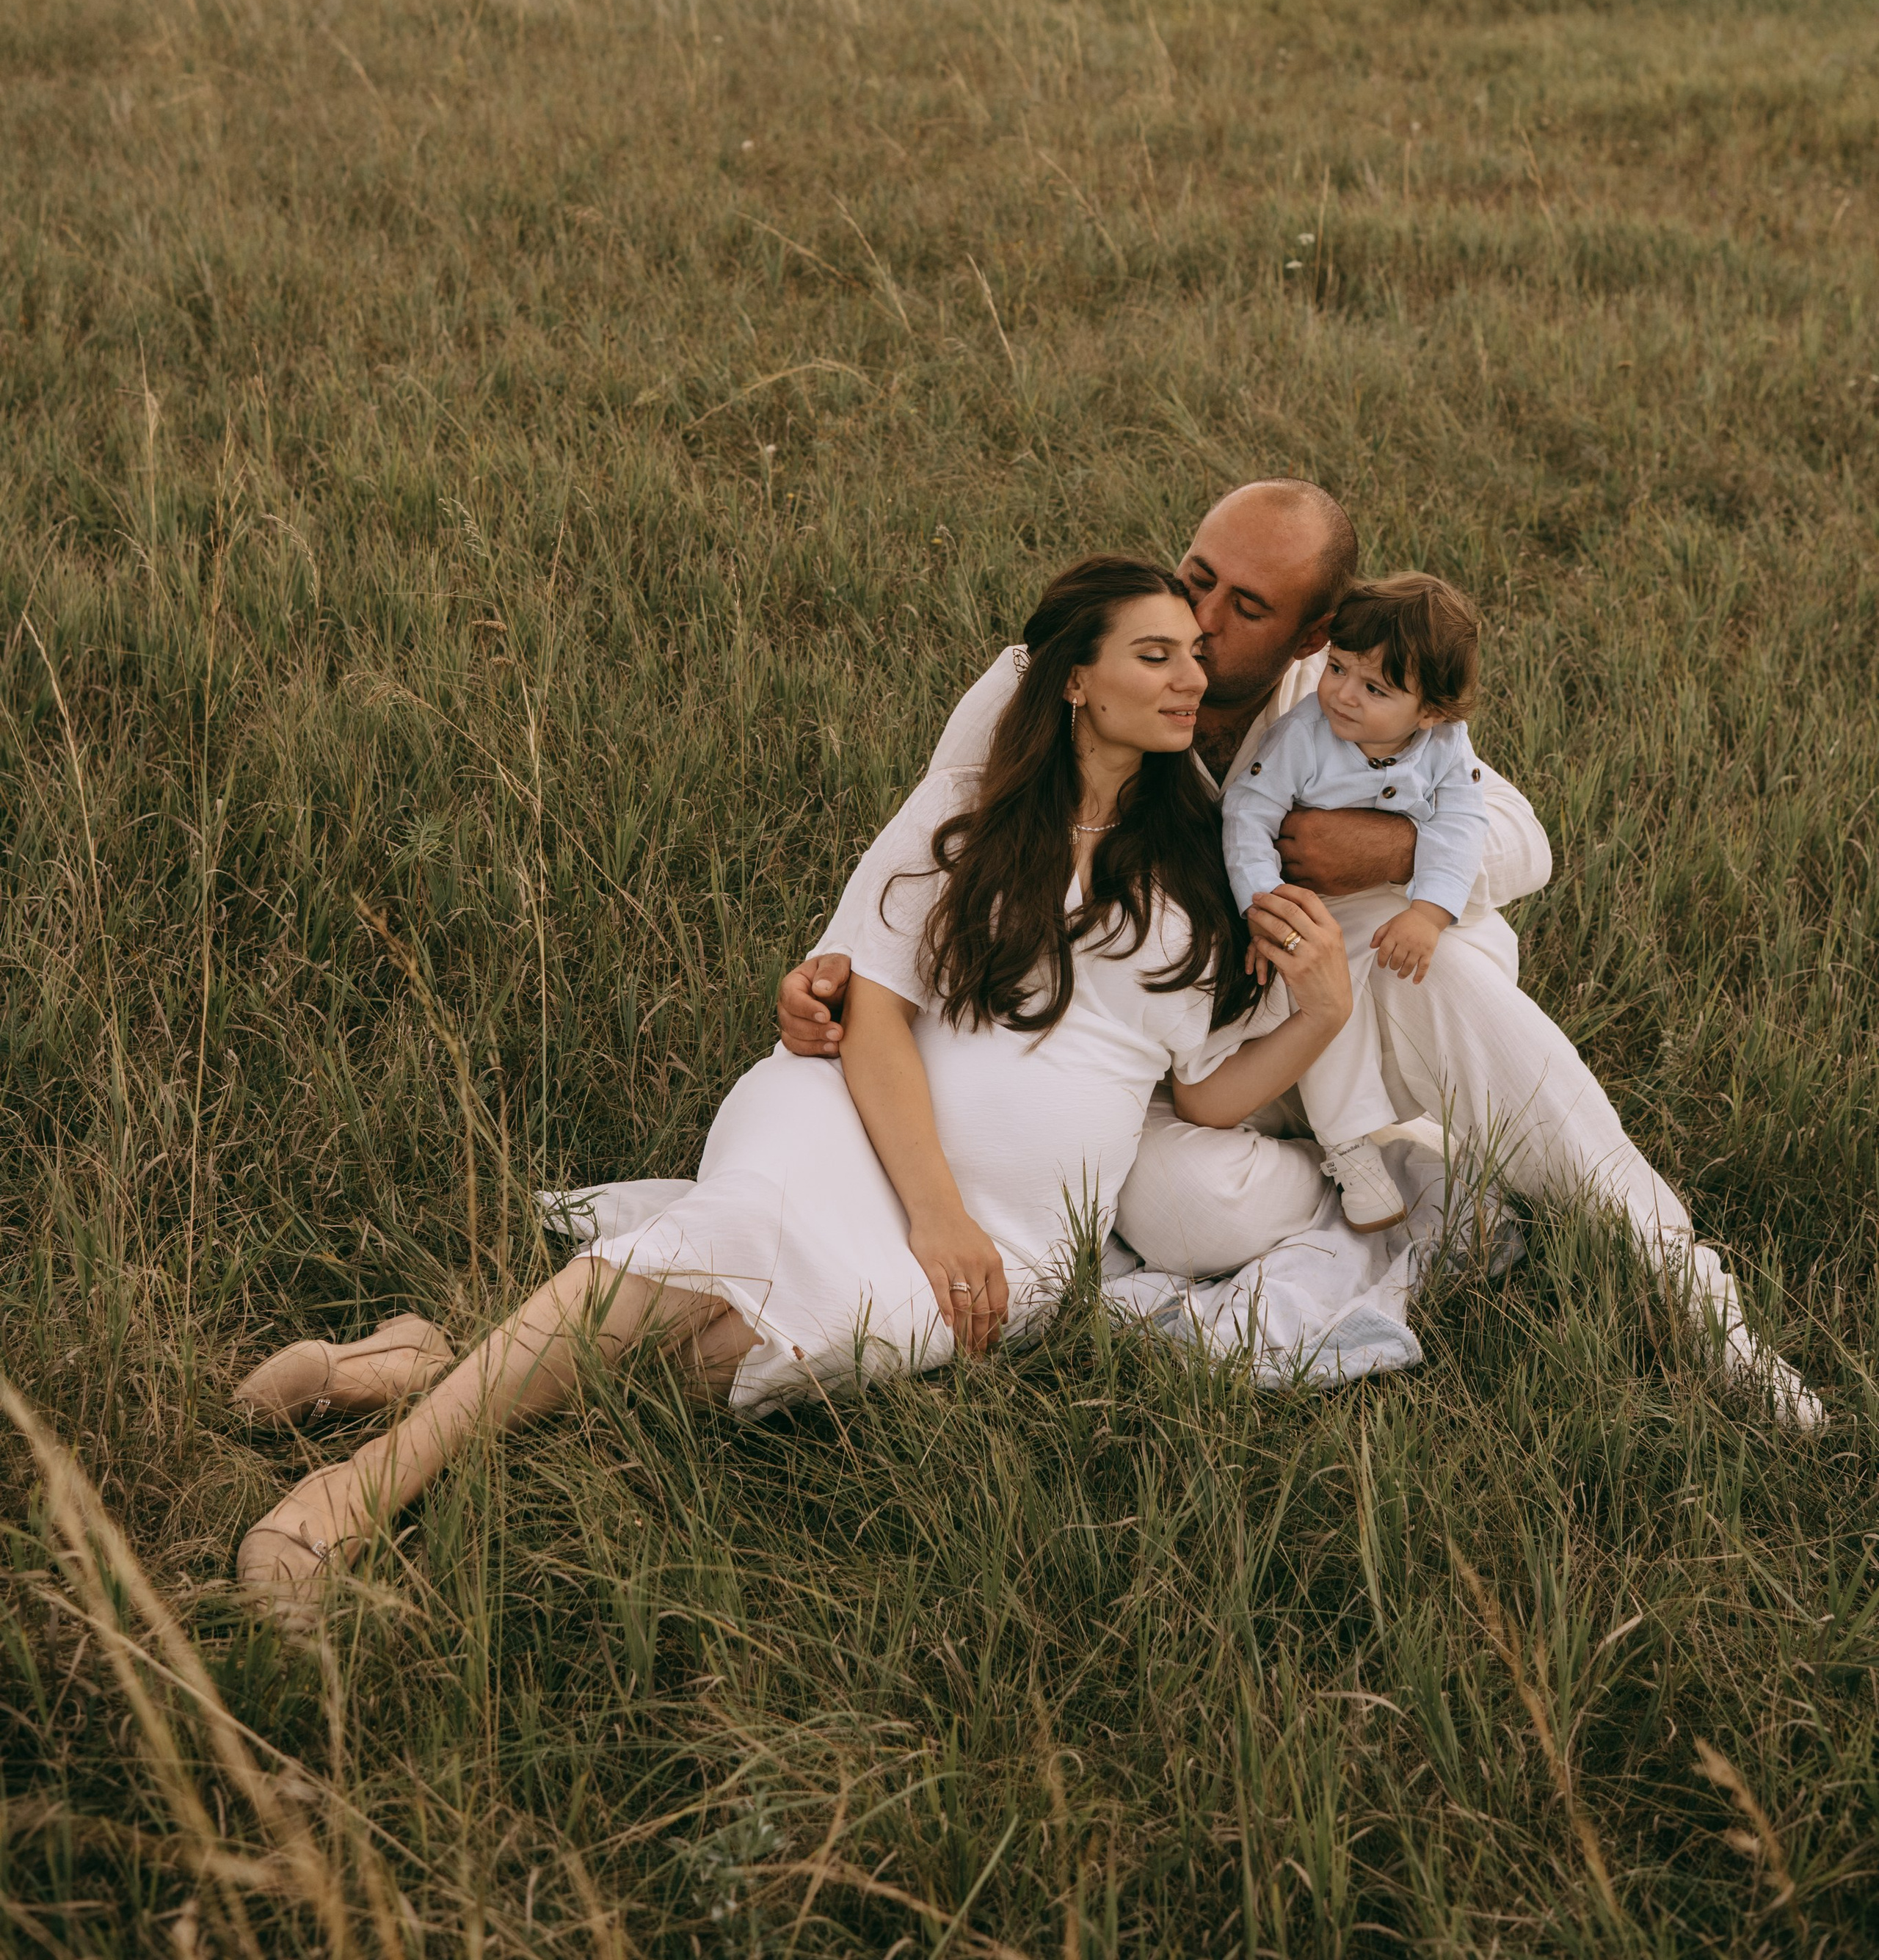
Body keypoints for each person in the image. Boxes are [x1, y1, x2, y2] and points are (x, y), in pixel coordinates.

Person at [235, 557, 1360, 1611]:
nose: (1191, 676)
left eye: (1197, 658)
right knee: (722, 1243)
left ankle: (427, 1360)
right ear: (1075, 680)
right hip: (853, 1121)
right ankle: (361, 1488)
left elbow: (1206, 1099)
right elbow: (870, 1009)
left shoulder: (1205, 861)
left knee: (731, 1355)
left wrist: (1323, 1011)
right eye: (1156, 653)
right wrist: (933, 1212)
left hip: (1019, 1235)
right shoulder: (967, 809)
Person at [778, 480, 1825, 1428]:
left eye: (1246, 609)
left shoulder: (1350, 700)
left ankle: (1693, 1296)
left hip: (1356, 997)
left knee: (1450, 970)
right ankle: (1405, 1176)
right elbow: (930, 837)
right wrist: (831, 967)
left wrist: (1393, 848)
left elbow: (1523, 838)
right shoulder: (1070, 680)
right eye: (1198, 581)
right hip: (1196, 1054)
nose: (1199, 622)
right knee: (1179, 1215)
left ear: (1315, 635)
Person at [1214, 572, 1489, 1236]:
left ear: (1432, 712)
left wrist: (1429, 912)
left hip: (1398, 904)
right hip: (1311, 904)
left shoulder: (1446, 746)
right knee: (1331, 1006)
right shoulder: (1304, 736)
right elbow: (1248, 814)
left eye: (1374, 689)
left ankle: (1458, 1114)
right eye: (1335, 668)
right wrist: (1263, 904)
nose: (1341, 693)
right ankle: (1346, 1144)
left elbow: (1460, 826)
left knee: (1470, 971)